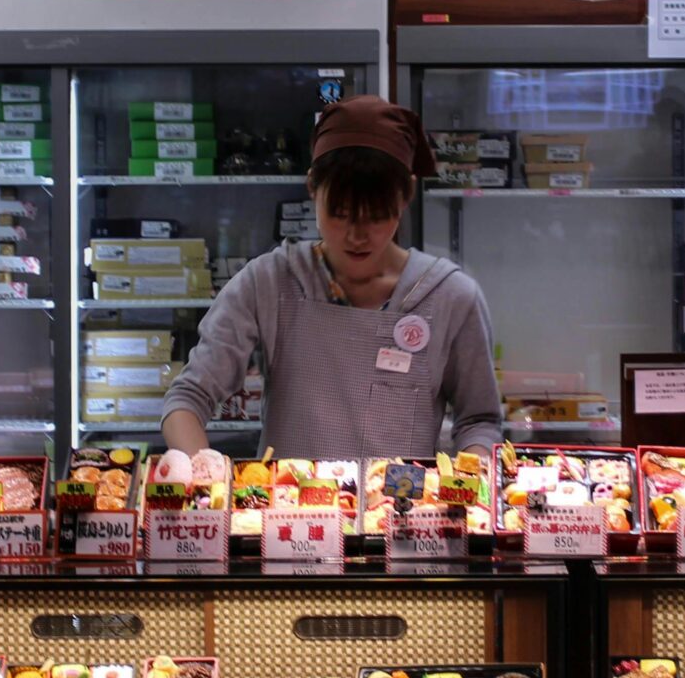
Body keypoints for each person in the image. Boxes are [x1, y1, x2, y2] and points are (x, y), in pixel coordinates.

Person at [161, 96, 501, 461]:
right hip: (290, 497)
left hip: (403, 498)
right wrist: (202, 472)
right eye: (340, 214)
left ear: (406, 195)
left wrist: (471, 472)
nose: (357, 235)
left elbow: (479, 420)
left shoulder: (449, 296)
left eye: (376, 216)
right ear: (312, 187)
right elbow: (188, 398)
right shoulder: (269, 283)